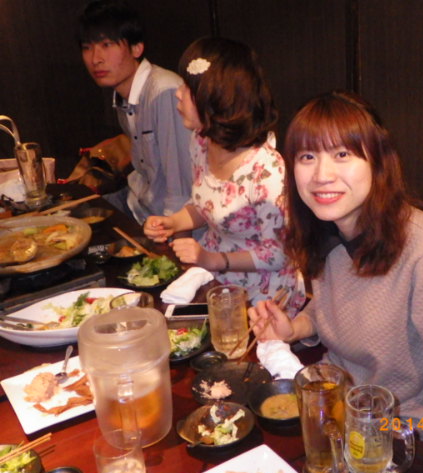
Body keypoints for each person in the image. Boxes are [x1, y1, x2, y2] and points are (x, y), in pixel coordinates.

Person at [248, 90, 423, 460]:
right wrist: (295, 329)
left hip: (401, 433)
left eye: (342, 154)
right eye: (307, 156)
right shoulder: (328, 226)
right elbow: (335, 306)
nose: (322, 175)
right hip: (334, 406)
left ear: (378, 161)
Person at [144, 37, 305, 311]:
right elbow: (205, 205)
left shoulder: (266, 171)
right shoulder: (201, 140)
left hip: (263, 295)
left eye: (189, 88)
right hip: (216, 282)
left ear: (219, 99)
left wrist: (211, 259)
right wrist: (173, 222)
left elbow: (278, 254)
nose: (178, 94)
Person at [76, 0, 192, 224]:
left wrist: (170, 235)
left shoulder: (164, 92)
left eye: (107, 45)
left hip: (164, 218)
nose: (95, 59)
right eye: (87, 47)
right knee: (67, 219)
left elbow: (181, 189)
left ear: (136, 47)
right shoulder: (123, 94)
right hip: (136, 201)